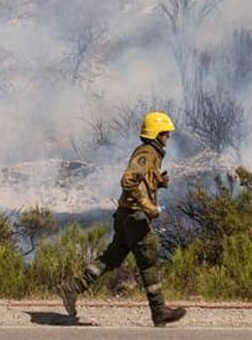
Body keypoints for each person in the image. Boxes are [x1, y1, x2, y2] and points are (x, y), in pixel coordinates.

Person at [57, 112, 187, 327]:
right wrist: (147, 206)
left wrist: (158, 182)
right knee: (149, 259)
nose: (168, 138)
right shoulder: (146, 152)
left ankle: (73, 287)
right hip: (135, 216)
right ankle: (159, 310)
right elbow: (128, 181)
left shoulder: (151, 153)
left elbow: (141, 179)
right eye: (165, 134)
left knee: (112, 257)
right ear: (156, 134)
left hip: (126, 215)